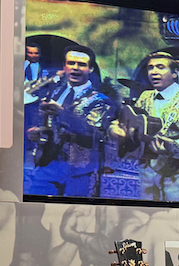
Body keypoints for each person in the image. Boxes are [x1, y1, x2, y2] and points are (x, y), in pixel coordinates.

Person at [110, 50, 179, 203]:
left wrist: (177, 146)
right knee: (146, 213)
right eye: (150, 67)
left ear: (174, 73)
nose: (154, 72)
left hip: (176, 172)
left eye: (160, 67)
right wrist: (115, 128)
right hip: (146, 169)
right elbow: (133, 120)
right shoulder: (145, 96)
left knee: (174, 215)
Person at [28, 46, 115, 198]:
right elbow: (46, 123)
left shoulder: (101, 101)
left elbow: (93, 133)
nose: (75, 68)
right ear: (64, 66)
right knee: (36, 208)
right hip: (47, 166)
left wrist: (62, 113)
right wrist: (37, 132)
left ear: (90, 69)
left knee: (74, 212)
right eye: (71, 63)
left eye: (82, 64)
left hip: (80, 172)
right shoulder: (53, 93)